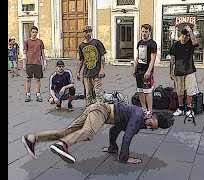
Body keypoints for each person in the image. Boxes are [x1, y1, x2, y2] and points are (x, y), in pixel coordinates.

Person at [21, 102, 174, 164]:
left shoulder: (139, 120)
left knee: (65, 131)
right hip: (101, 111)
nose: (148, 127)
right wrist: (124, 158)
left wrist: (113, 147)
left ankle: (32, 138)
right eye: (151, 124)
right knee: (89, 133)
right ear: (151, 115)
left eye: (152, 128)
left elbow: (116, 129)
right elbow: (127, 137)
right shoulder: (139, 116)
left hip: (96, 108)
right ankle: (62, 145)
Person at [169, 25, 200, 117]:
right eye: (184, 36)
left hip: (189, 70)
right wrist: (171, 71)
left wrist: (190, 32)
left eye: (187, 37)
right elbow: (172, 59)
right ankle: (181, 107)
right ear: (181, 35)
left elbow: (195, 43)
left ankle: (189, 108)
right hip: (178, 70)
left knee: (190, 90)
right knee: (179, 90)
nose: (185, 38)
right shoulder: (176, 44)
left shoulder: (190, 43)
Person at [76, 25, 106, 108]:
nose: (88, 33)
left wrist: (102, 69)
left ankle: (100, 109)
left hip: (97, 72)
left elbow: (102, 57)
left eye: (89, 31)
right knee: (88, 93)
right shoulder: (81, 45)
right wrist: (78, 72)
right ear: (83, 33)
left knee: (98, 92)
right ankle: (88, 109)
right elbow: (81, 60)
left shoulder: (97, 43)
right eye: (86, 32)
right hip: (86, 73)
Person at [132, 24, 157, 115]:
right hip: (139, 70)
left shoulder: (152, 43)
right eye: (143, 31)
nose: (144, 33)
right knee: (140, 90)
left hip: (147, 70)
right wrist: (134, 68)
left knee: (147, 91)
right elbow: (137, 57)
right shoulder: (139, 43)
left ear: (149, 32)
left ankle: (150, 110)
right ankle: (143, 108)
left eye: (146, 31)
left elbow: (153, 59)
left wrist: (149, 71)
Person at [23, 26, 48, 102]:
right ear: (30, 32)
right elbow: (24, 53)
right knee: (28, 80)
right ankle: (28, 95)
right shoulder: (26, 42)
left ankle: (38, 95)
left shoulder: (40, 42)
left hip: (38, 63)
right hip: (29, 63)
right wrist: (24, 64)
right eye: (33, 32)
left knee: (38, 79)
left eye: (36, 32)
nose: (34, 34)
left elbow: (42, 53)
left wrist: (44, 62)